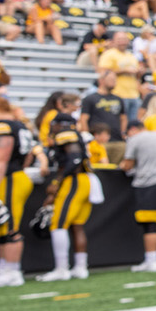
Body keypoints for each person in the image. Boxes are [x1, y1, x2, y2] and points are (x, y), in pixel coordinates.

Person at [0, 93, 42, 288]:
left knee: (10, 225)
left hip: (9, 178)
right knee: (2, 225)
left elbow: (0, 159)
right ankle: (4, 268)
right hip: (17, 176)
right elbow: (28, 156)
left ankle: (12, 271)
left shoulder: (2, 125)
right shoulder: (19, 124)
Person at [39, 108, 94, 281]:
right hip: (84, 180)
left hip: (74, 180)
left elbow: (75, 159)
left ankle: (62, 269)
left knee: (58, 224)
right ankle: (80, 267)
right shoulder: (73, 134)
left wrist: (57, 182)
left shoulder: (66, 134)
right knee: (76, 225)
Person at [120, 119, 156, 273]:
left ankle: (151, 261)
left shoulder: (135, 139)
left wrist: (123, 165)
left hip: (149, 182)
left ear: (132, 129)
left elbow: (128, 165)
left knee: (149, 223)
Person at [97, 31, 144, 125]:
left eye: (124, 39)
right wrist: (124, 70)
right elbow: (103, 73)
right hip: (117, 94)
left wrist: (139, 72)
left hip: (133, 94)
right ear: (114, 41)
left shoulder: (131, 55)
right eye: (119, 39)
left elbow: (136, 77)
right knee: (119, 123)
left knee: (132, 124)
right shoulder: (109, 54)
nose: (122, 42)